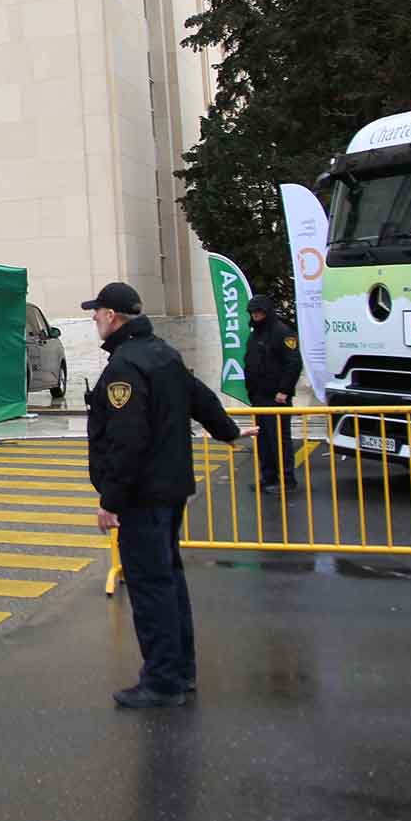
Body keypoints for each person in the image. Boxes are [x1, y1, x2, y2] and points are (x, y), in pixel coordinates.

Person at [81, 281, 240, 709]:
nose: (94, 318)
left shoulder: (125, 368)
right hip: (169, 491)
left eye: (96, 312)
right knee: (168, 582)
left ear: (113, 317)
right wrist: (229, 432)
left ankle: (163, 681)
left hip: (143, 496)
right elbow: (201, 399)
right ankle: (180, 670)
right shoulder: (163, 354)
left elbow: (128, 442)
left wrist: (110, 501)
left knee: (151, 587)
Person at [243, 296, 303, 493]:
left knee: (279, 439)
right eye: (253, 312)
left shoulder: (282, 332)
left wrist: (284, 391)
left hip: (276, 398)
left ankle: (286, 480)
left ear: (267, 311)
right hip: (259, 396)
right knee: (263, 440)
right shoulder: (255, 334)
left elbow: (293, 363)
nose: (256, 315)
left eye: (259, 312)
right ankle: (268, 477)